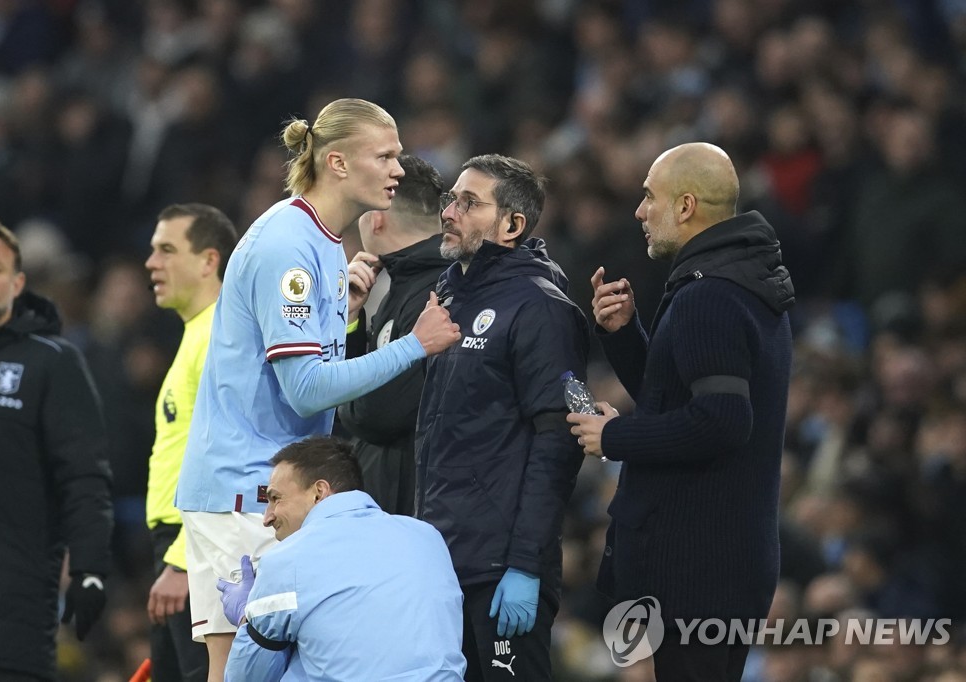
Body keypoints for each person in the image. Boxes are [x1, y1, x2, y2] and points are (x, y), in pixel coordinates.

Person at [175, 97, 461, 679]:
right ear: (336, 163)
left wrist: (346, 321)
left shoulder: (324, 242)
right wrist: (415, 344)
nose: (398, 170)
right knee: (239, 669)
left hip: (267, 483)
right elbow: (305, 391)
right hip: (246, 490)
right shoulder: (289, 247)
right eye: (384, 156)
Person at [567, 142, 795, 681]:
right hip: (719, 561)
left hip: (699, 569)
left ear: (686, 206)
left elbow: (721, 420)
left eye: (650, 198)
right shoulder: (736, 280)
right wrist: (625, 337)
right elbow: (676, 396)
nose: (640, 212)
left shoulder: (710, 295)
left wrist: (616, 437)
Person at [416, 154, 590, 681]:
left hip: (501, 567)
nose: (451, 211)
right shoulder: (445, 298)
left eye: (470, 203)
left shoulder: (541, 308)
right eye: (451, 199)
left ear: (511, 225)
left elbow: (559, 439)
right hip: (442, 560)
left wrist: (525, 564)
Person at [0, 215, 112, 681]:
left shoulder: (53, 364)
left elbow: (84, 477)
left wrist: (89, 568)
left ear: (18, 283)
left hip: (10, 620)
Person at [217, 436, 466, 680]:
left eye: (275, 499)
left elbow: (247, 677)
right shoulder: (426, 536)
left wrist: (246, 620)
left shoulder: (286, 560)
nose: (267, 517)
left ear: (319, 492)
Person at [144, 204, 238, 682]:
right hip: (181, 542)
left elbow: (224, 449)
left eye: (166, 250)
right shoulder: (197, 333)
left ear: (208, 260)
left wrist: (182, 562)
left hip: (196, 545)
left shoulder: (218, 337)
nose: (151, 263)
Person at [337, 154, 448, 515]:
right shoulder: (404, 283)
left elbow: (376, 415)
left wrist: (341, 400)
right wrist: (352, 321)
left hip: (411, 506)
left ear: (377, 217)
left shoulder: (434, 290)